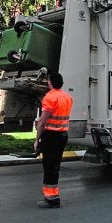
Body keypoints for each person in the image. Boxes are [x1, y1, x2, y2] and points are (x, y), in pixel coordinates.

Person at [34, 72, 73, 209]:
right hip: (63, 135)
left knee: (49, 167)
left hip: (51, 136)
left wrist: (37, 139)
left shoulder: (50, 98)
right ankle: (53, 196)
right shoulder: (67, 97)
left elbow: (42, 122)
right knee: (55, 165)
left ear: (50, 82)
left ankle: (51, 199)